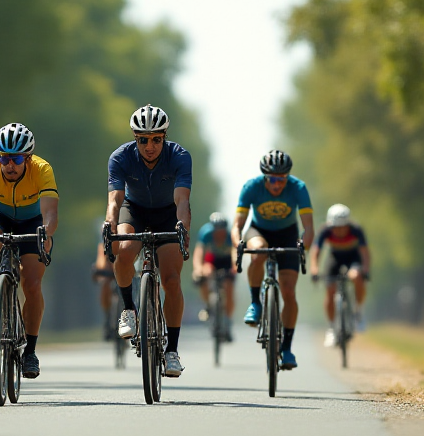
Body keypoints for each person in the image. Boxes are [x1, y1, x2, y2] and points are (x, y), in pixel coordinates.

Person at [105, 104, 192, 378]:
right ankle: (128, 309)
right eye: (143, 140)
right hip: (135, 210)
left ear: (165, 137)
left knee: (171, 280)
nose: (150, 146)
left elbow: (182, 200)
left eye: (156, 139)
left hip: (168, 213)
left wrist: (182, 228)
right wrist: (110, 225)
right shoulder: (120, 157)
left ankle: (172, 351)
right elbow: (115, 200)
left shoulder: (179, 156)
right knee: (124, 249)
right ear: (135, 138)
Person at [0, 123, 58, 379]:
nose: (9, 165)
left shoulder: (42, 169)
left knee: (32, 284)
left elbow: (50, 213)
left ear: (27, 158)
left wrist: (46, 233)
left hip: (32, 221)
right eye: (3, 158)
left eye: (16, 159)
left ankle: (30, 352)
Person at [231, 150, 314, 370]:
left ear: (288, 177)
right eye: (272, 179)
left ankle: (286, 348)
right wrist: (238, 243)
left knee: (288, 291)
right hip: (259, 231)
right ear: (264, 177)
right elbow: (237, 225)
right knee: (259, 251)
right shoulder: (251, 187)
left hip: (288, 234)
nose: (277, 184)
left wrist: (303, 247)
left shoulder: (298, 188)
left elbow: (308, 228)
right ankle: (255, 303)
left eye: (282, 179)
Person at [310, 203, 370, 347]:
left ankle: (358, 313)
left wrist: (366, 270)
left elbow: (364, 252)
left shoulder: (356, 230)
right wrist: (314, 269)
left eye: (343, 226)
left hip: (353, 258)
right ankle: (331, 328)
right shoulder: (325, 230)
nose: (340, 230)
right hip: (335, 258)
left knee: (356, 276)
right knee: (330, 291)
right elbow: (316, 251)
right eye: (336, 227)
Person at [192, 211, 234, 341]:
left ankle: (227, 321)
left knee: (228, 286)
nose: (219, 234)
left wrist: (235, 267)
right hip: (212, 259)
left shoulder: (230, 236)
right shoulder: (206, 234)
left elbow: (234, 253)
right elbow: (199, 253)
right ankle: (209, 305)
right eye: (216, 231)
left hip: (226, 260)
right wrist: (198, 269)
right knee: (203, 276)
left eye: (221, 231)